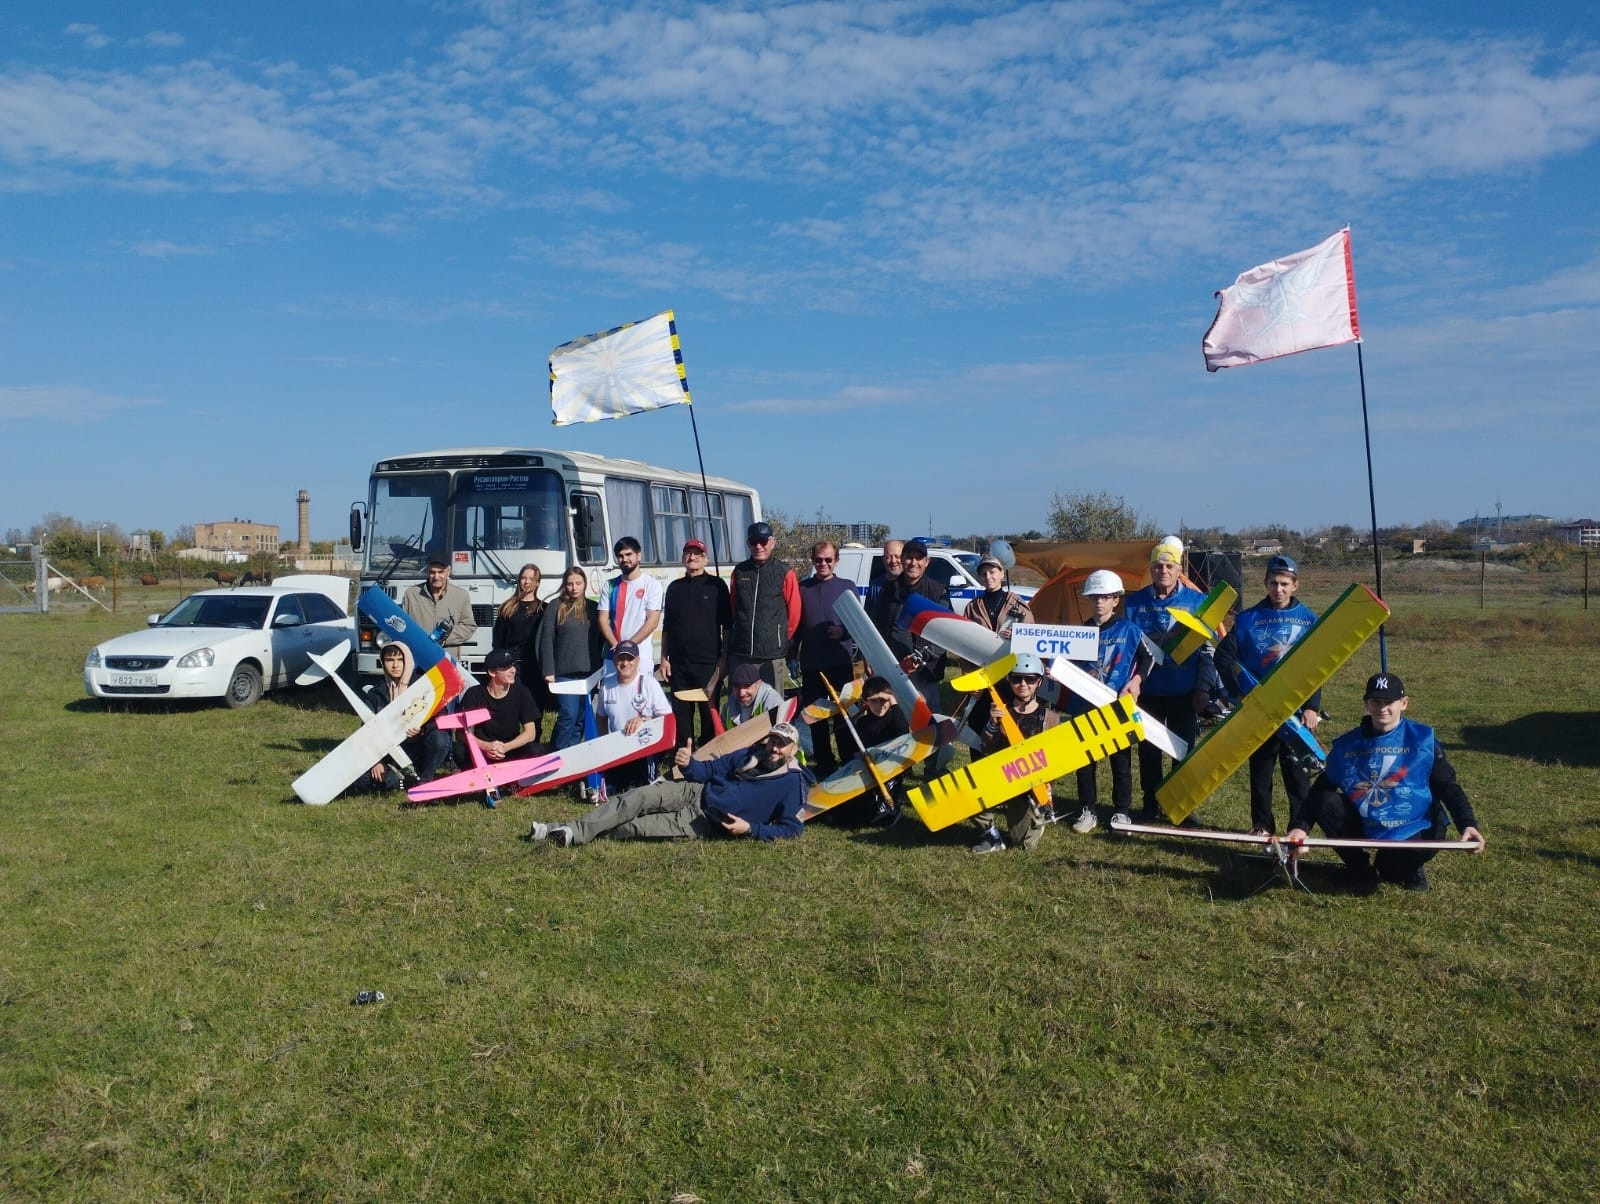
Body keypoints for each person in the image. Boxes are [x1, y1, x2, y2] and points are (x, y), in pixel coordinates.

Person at [1288, 673, 1484, 892]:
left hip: (1415, 824)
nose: (1382, 708)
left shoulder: (1421, 741)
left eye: (1389, 702)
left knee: (1389, 872)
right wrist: (1300, 828)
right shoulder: (1347, 746)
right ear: (1366, 705)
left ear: (1404, 703)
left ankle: (1410, 868)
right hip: (1367, 820)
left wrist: (1468, 824)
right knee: (1325, 801)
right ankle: (1360, 869)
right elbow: (1321, 789)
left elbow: (1449, 787)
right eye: (1376, 702)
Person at [523, 722, 810, 846]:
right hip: (695, 790)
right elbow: (708, 770)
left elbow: (792, 829)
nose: (774, 748)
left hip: (704, 822)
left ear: (792, 750)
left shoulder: (792, 783)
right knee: (634, 799)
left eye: (782, 745)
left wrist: (751, 829)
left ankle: (563, 832)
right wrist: (688, 764)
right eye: (773, 740)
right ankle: (569, 831)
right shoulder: (751, 753)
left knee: (632, 827)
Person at [1214, 555, 1322, 835]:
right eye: (1273, 583)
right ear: (1265, 583)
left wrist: (1312, 706)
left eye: (1285, 583)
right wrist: (1239, 693)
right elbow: (1223, 656)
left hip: (1295, 710)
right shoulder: (1248, 618)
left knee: (1297, 774)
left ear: (1295, 585)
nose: (1279, 589)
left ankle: (1299, 827)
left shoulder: (1309, 620)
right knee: (1261, 772)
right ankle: (1261, 825)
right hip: (1259, 710)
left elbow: (1318, 666)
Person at [1122, 535, 1211, 819]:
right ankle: (1151, 803)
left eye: (1170, 566)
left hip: (1184, 689)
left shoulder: (1197, 601)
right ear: (1151, 569)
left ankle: (1182, 804)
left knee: (1183, 748)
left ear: (1179, 569)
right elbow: (1128, 648)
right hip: (1147, 689)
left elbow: (1208, 649)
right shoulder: (1133, 603)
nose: (1164, 571)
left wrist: (1203, 687)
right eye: (1158, 566)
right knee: (1149, 750)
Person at [1066, 571, 1152, 833]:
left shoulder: (1129, 630)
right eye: (1094, 598)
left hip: (1117, 707)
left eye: (1105, 598)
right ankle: (1087, 810)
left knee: (1121, 761)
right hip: (1085, 706)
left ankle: (1121, 811)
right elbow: (1069, 665)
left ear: (1116, 600)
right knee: (1085, 761)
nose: (1099, 603)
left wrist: (1136, 681)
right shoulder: (1081, 632)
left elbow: (1148, 658)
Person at [970, 653, 1058, 854]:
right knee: (971, 792)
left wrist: (1047, 787)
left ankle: (1036, 817)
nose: (1023, 684)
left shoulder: (1050, 718)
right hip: (1004, 776)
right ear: (1009, 681)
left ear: (1039, 682)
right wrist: (992, 724)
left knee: (1023, 845)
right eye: (1016, 679)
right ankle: (992, 836)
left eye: (1030, 679)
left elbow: (1054, 757)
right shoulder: (1001, 712)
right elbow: (986, 748)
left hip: (1030, 784)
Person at [661, 538, 731, 750]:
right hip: (679, 663)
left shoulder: (717, 586)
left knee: (708, 711)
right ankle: (684, 752)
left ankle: (709, 752)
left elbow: (727, 625)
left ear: (705, 559)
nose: (692, 557)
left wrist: (724, 658)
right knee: (681, 711)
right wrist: (664, 658)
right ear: (683, 558)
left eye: (697, 554)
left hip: (708, 662)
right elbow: (667, 626)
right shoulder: (674, 588)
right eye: (688, 554)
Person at [870, 539, 949, 726]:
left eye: (918, 558)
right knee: (900, 724)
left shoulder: (938, 592)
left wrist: (921, 657)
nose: (913, 563)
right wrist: (875, 659)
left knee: (930, 725)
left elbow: (946, 634)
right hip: (897, 672)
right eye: (909, 558)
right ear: (902, 559)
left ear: (926, 562)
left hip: (927, 672)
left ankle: (933, 755)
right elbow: (878, 628)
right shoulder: (888, 590)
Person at [357, 642, 454, 790]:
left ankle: (425, 779)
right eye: (390, 660)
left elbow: (441, 717)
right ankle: (404, 780)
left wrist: (421, 729)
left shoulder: (424, 685)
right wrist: (375, 761)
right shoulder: (376, 693)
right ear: (383, 663)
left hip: (421, 746)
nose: (395, 665)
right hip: (391, 751)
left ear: (408, 661)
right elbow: (366, 731)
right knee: (363, 782)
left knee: (440, 738)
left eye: (400, 660)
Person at [795, 540, 855, 776]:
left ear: (836, 561)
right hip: (812, 664)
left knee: (843, 715)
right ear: (813, 561)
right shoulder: (803, 588)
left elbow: (857, 623)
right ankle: (824, 763)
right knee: (816, 718)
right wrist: (793, 655)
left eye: (828, 560)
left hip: (840, 662)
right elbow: (797, 626)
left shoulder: (846, 586)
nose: (823, 564)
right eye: (819, 559)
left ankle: (848, 759)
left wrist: (844, 631)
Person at [820, 675, 909, 827]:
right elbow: (853, 749)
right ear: (866, 702)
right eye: (874, 701)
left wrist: (892, 701)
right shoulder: (863, 722)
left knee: (876, 810)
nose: (880, 705)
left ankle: (883, 813)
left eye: (883, 700)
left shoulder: (895, 717)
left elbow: (903, 733)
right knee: (839, 813)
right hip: (866, 770)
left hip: (890, 771)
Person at [728, 521, 800, 691]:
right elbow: (734, 608)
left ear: (772, 542)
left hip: (772, 655)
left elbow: (794, 613)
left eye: (763, 541)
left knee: (773, 706)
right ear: (748, 544)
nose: (759, 546)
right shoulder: (739, 572)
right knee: (742, 702)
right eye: (754, 542)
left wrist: (780, 638)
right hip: (742, 652)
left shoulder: (785, 572)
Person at [540, 566, 604, 751]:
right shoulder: (555, 606)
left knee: (581, 717)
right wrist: (548, 671)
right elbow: (546, 640)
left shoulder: (593, 607)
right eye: (570, 584)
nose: (574, 588)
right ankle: (558, 753)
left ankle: (573, 753)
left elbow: (600, 640)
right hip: (563, 672)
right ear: (564, 585)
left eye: (578, 583)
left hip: (588, 673)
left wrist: (600, 669)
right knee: (568, 714)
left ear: (584, 584)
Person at [597, 639, 673, 792]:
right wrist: (604, 745)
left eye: (630, 659)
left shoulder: (649, 683)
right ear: (614, 660)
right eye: (621, 658)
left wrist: (644, 720)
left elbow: (668, 719)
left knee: (645, 787)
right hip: (619, 748)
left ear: (637, 661)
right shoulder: (606, 685)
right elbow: (601, 717)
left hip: (644, 746)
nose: (625, 663)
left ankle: (647, 779)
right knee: (610, 788)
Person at [456, 648, 542, 776]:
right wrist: (486, 746)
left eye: (513, 666)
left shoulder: (522, 692)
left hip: (511, 749)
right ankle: (474, 778)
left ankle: (516, 778)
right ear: (492, 672)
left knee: (536, 750)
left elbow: (531, 733)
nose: (513, 670)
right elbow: (461, 734)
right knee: (459, 750)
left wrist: (505, 747)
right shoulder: (474, 694)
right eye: (506, 667)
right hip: (482, 752)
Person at [492, 563, 548, 730]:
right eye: (524, 578)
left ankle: (534, 743)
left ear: (537, 583)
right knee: (510, 707)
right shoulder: (507, 607)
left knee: (535, 707)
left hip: (535, 666)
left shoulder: (544, 609)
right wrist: (499, 665)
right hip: (511, 665)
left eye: (531, 579)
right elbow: (498, 640)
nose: (527, 582)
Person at [598, 536, 664, 677]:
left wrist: (629, 646)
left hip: (640, 656)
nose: (625, 559)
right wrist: (616, 645)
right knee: (613, 698)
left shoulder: (652, 585)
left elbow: (652, 621)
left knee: (639, 697)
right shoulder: (609, 585)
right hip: (612, 657)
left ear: (638, 556)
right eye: (620, 556)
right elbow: (603, 619)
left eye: (629, 554)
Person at [401, 556, 476, 658]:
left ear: (448, 572)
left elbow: (469, 626)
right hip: (417, 658)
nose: (436, 576)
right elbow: (402, 625)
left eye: (441, 572)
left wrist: (444, 638)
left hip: (446, 660)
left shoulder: (461, 595)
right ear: (427, 572)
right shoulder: (411, 594)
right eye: (432, 572)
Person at [964, 552, 1033, 640]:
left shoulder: (1017, 603)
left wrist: (1016, 636)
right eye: (984, 574)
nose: (988, 577)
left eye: (992, 572)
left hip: (1010, 653)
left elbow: (1030, 635)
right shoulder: (972, 607)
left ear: (1002, 574)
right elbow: (965, 637)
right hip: (982, 653)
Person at [720, 661, 787, 729]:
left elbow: (782, 733)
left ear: (758, 684)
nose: (741, 693)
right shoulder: (729, 705)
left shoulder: (772, 700)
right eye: (737, 686)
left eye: (747, 686)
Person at [864, 539, 904, 620]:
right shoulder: (875, 585)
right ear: (883, 560)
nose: (893, 561)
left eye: (897, 556)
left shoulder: (913, 584)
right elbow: (868, 617)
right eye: (888, 557)